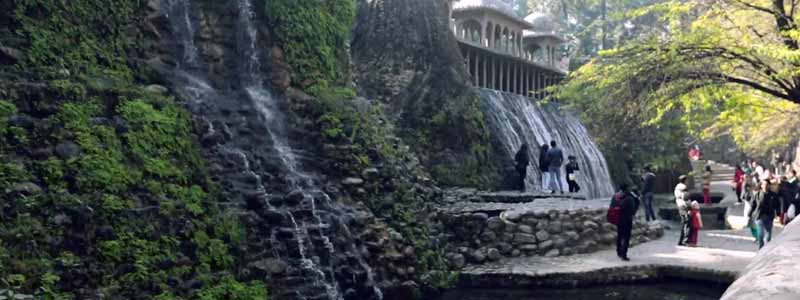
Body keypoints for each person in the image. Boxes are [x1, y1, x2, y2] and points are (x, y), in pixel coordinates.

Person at [609, 183, 639, 261]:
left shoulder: (615, 196)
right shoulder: (629, 197)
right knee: (626, 237)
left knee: (619, 235)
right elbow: (633, 210)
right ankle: (624, 255)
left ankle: (618, 251)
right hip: (627, 219)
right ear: (626, 189)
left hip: (618, 219)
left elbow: (611, 207)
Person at [752, 179, 781, 249]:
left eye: (767, 184)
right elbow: (753, 204)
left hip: (769, 216)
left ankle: (767, 248)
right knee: (761, 233)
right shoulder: (757, 194)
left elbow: (777, 205)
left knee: (768, 234)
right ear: (761, 185)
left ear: (769, 186)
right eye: (763, 184)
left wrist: (778, 213)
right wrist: (749, 214)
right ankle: (761, 247)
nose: (765, 186)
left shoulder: (773, 195)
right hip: (759, 216)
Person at [675, 175, 691, 246]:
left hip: (679, 205)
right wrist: (690, 208)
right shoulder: (683, 188)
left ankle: (681, 241)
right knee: (687, 223)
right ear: (685, 180)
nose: (688, 182)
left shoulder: (677, 188)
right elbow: (686, 198)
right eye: (687, 180)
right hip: (684, 206)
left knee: (684, 223)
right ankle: (685, 240)